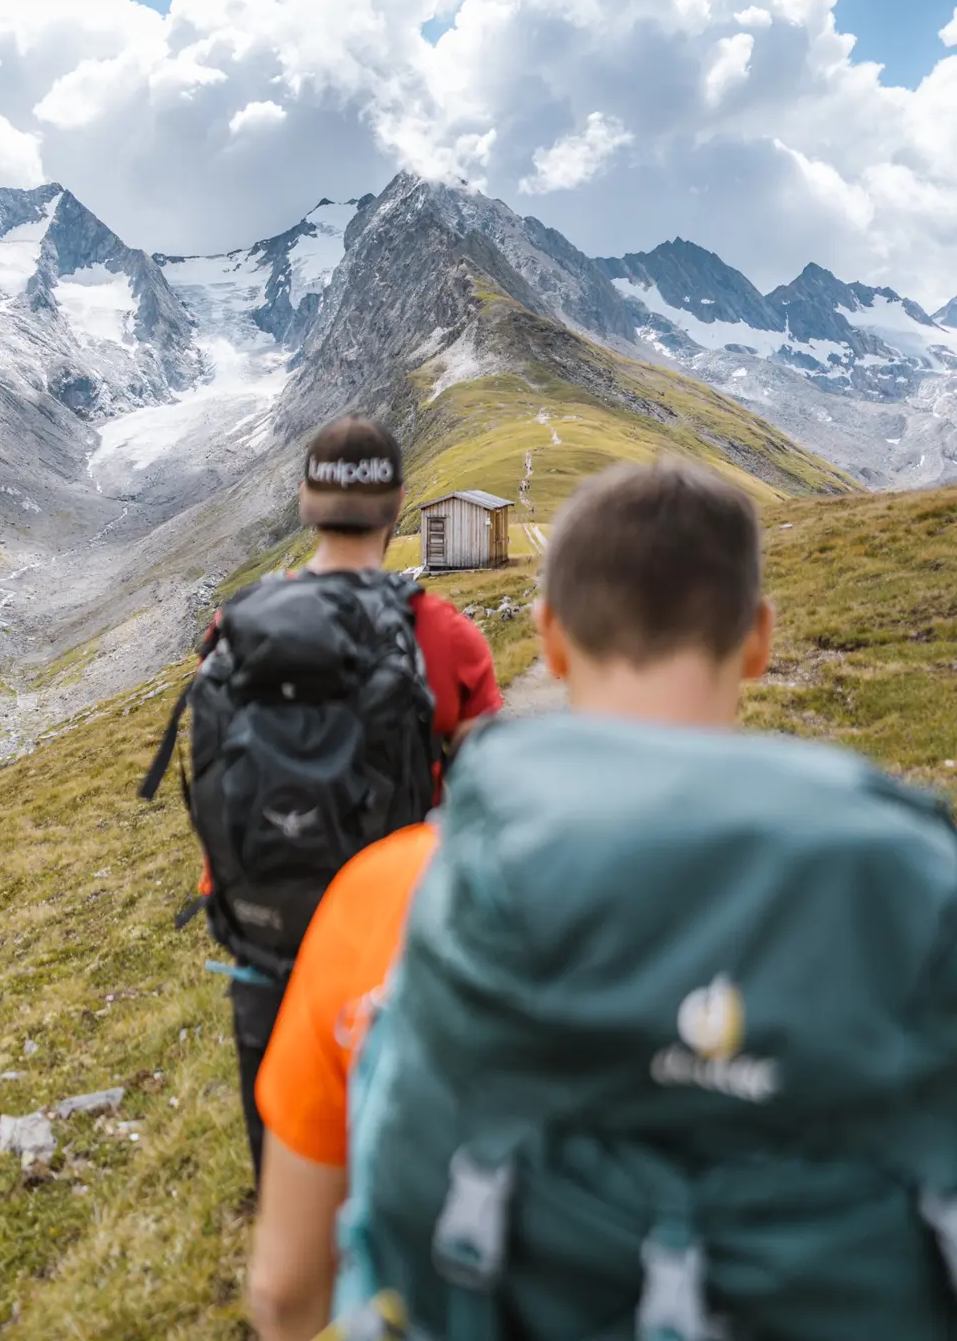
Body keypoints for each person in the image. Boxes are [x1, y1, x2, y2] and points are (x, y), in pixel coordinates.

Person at [248, 457, 775, 1341]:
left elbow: (283, 1292)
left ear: (551, 637)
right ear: (757, 640)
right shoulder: (895, 899)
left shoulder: (387, 891)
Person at [142, 415, 502, 1189]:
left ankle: (285, 1245)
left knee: (282, 1149)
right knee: (393, 1156)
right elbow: (486, 803)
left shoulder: (237, 624)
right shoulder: (441, 634)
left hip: (263, 924)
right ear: (399, 505)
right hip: (390, 941)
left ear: (305, 502)